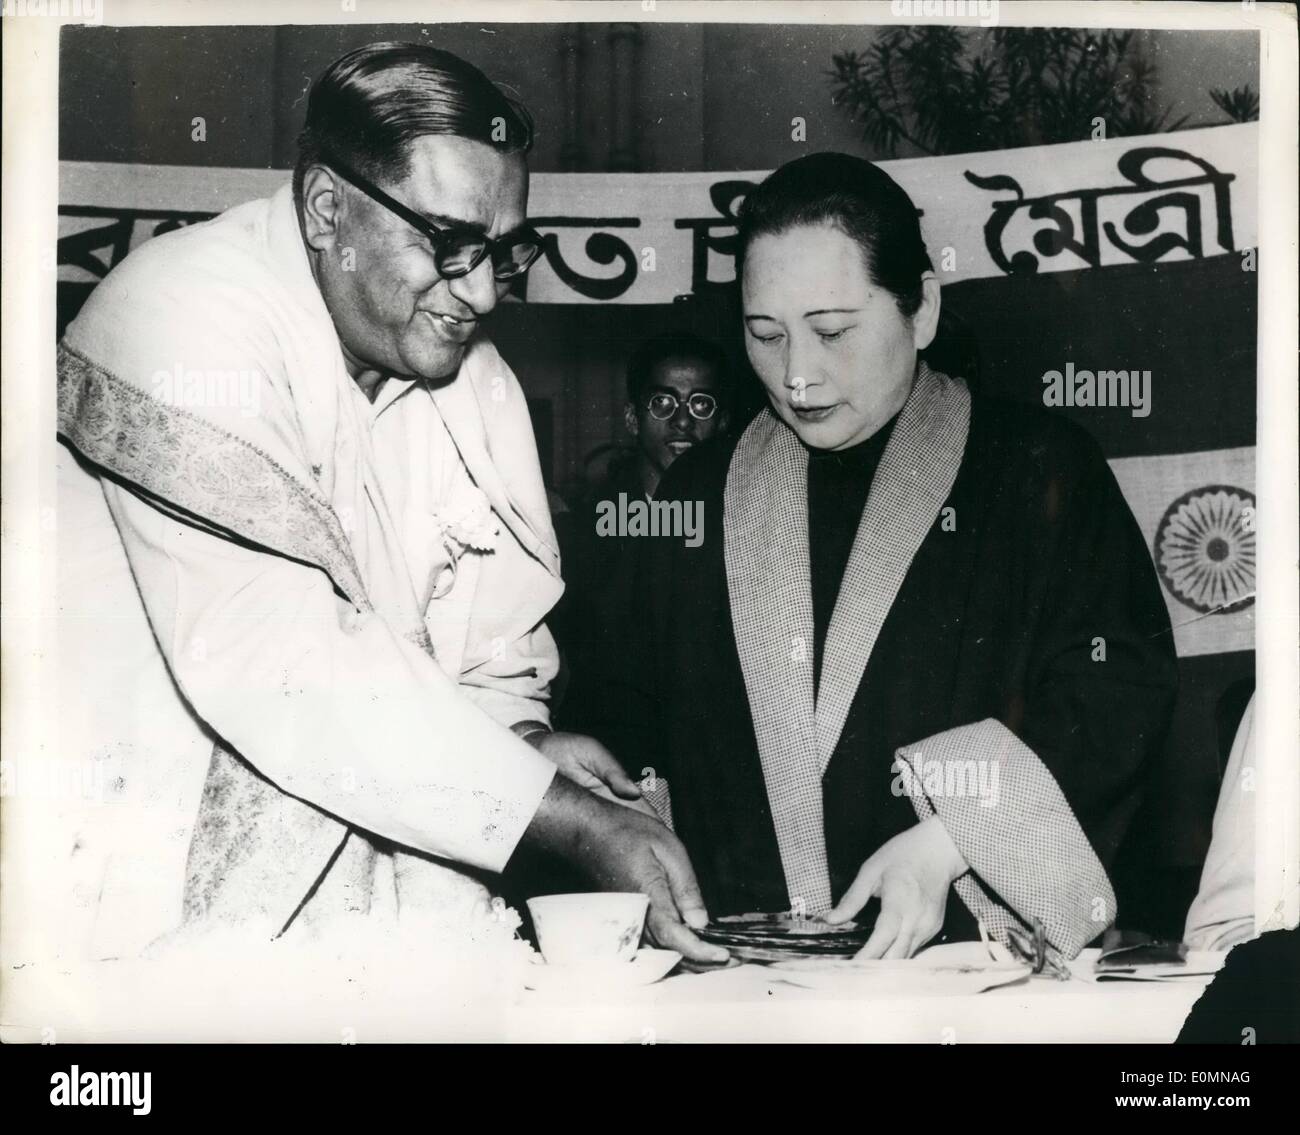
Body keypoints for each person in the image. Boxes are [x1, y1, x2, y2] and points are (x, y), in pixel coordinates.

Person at [53, 42, 724, 966]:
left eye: (503, 250)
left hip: (376, 929)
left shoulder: (472, 380)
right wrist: (560, 816)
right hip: (141, 897)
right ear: (329, 209)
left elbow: (489, 655)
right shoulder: (182, 311)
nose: (485, 292)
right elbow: (284, 661)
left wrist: (529, 743)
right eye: (450, 244)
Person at [585, 153, 1179, 962]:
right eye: (766, 334)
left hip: (968, 972)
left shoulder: (1040, 469)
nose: (797, 375)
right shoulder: (699, 490)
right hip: (739, 981)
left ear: (922, 308)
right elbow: (622, 710)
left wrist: (953, 838)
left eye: (832, 331)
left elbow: (1116, 697)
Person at [553, 333, 732, 742]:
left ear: (723, 422)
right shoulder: (584, 534)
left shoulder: (747, 531)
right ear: (633, 418)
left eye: (701, 403)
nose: (682, 421)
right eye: (663, 403)